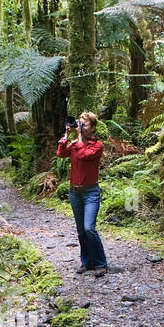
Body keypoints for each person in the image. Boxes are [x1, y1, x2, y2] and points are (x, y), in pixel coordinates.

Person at [57, 110, 108, 275]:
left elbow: (84, 154)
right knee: (80, 231)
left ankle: (100, 263)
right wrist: (66, 134)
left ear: (93, 127)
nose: (80, 126)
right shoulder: (73, 143)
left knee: (89, 228)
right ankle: (86, 262)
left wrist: (78, 137)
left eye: (83, 124)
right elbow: (61, 153)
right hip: (75, 193)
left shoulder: (97, 146)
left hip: (91, 193)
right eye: (79, 123)